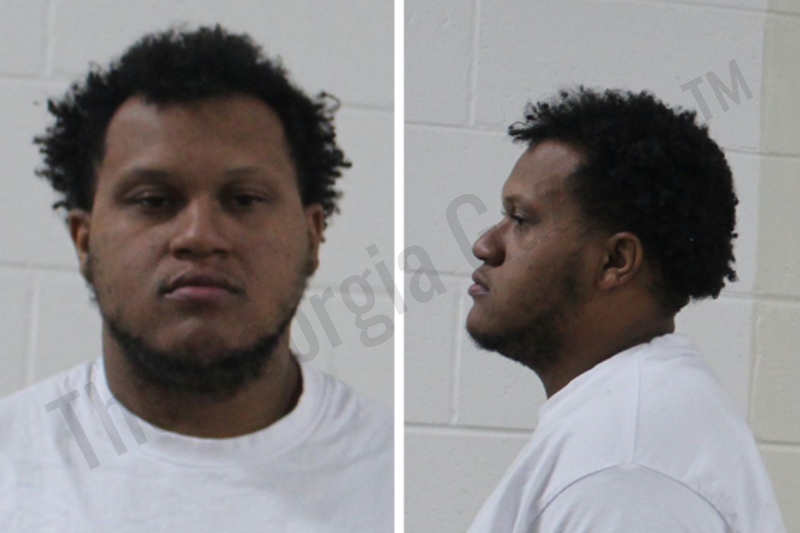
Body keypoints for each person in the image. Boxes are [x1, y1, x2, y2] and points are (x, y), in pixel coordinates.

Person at [0, 26, 392, 532]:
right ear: (84, 239)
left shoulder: (389, 476)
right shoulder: (12, 465)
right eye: (153, 200)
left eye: (244, 199)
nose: (199, 236)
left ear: (312, 236)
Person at [465, 88, 785, 532]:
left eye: (521, 220)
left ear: (615, 261)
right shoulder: (632, 433)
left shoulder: (624, 472)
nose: (485, 245)